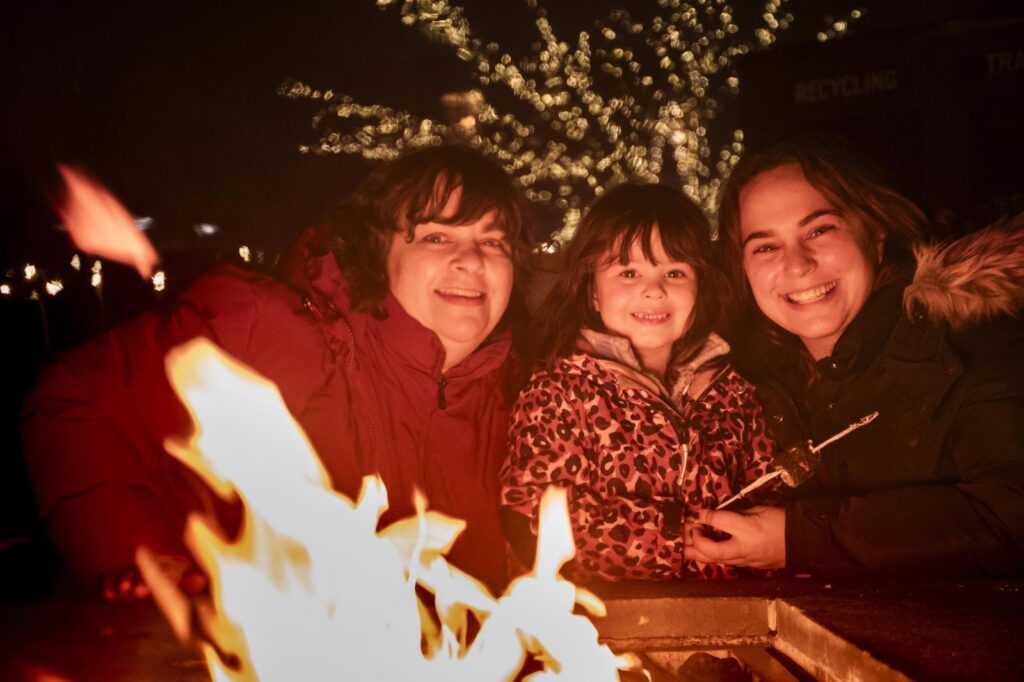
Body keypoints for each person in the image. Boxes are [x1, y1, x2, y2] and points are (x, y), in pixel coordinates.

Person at [21, 144, 531, 597]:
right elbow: (76, 398)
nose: (472, 260)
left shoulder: (519, 398)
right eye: (437, 238)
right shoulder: (274, 334)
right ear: (379, 254)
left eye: (493, 242)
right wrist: (139, 556)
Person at [686, 137, 1024, 578]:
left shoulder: (973, 344)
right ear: (743, 271)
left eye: (819, 230)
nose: (798, 264)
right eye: (765, 247)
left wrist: (800, 540)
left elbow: (1011, 515)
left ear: (876, 233)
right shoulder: (745, 381)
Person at [500, 183, 779, 581]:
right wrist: (673, 537)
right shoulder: (561, 390)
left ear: (699, 288)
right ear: (593, 293)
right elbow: (532, 512)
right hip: (602, 627)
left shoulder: (731, 392)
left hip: (731, 624)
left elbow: (769, 489)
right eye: (629, 272)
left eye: (675, 272)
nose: (654, 289)